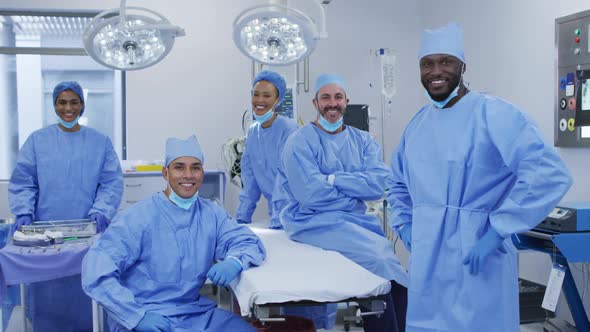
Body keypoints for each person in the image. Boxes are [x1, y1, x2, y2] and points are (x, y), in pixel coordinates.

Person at [386, 22, 572, 332]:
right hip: (427, 259)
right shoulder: (417, 125)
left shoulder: (495, 115)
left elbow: (548, 173)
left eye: (445, 61)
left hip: (477, 254)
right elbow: (396, 183)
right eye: (427, 63)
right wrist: (405, 224)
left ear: (462, 66)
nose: (436, 71)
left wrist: (499, 229)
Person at [82, 135, 266, 332]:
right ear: (165, 173)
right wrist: (136, 316)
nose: (188, 175)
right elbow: (96, 271)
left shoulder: (211, 214)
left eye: (195, 167)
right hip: (146, 314)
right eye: (179, 167)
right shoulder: (137, 218)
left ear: (202, 173)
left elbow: (246, 240)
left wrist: (235, 261)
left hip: (196, 313)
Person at [276, 74, 408, 332]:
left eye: (338, 97)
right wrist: (356, 189)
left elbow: (381, 182)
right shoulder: (299, 142)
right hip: (313, 222)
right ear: (315, 102)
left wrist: (333, 179)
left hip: (357, 222)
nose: (332, 103)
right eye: (325, 97)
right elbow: (310, 195)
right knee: (380, 264)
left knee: (397, 275)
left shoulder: (362, 140)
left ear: (346, 101)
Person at [8, 81, 123, 332]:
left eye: (74, 102)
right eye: (62, 102)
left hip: (88, 231)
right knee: (48, 289)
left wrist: (102, 210)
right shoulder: (38, 141)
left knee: (87, 285)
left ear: (82, 105)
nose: (68, 108)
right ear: (54, 105)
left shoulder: (99, 142)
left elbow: (111, 182)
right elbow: (24, 181)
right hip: (45, 233)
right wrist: (24, 210)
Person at [236, 70, 298, 229]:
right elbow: (249, 180)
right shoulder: (252, 132)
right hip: (276, 215)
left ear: (278, 99)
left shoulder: (289, 130)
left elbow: (286, 180)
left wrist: (279, 222)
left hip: (296, 214)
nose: (259, 100)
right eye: (255, 94)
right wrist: (241, 220)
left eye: (267, 95)